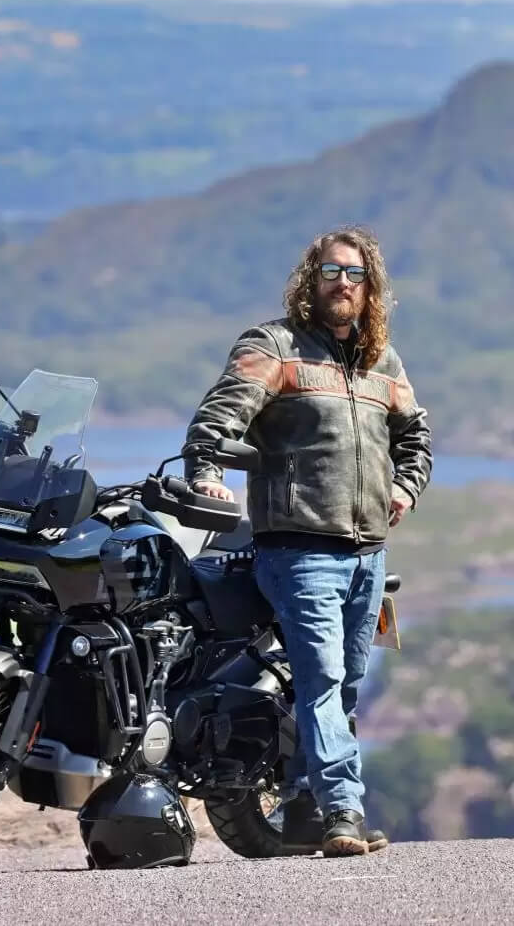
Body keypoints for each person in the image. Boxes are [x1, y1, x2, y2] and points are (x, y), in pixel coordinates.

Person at [182, 226, 432, 856]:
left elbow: (417, 438)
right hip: (298, 550)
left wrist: (404, 488)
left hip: (368, 553)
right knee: (319, 679)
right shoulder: (275, 346)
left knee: (344, 683)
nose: (342, 284)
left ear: (370, 287)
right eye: (330, 272)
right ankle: (343, 811)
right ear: (310, 279)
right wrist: (206, 476)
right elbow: (216, 420)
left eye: (354, 275)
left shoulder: (384, 362)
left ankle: (300, 807)